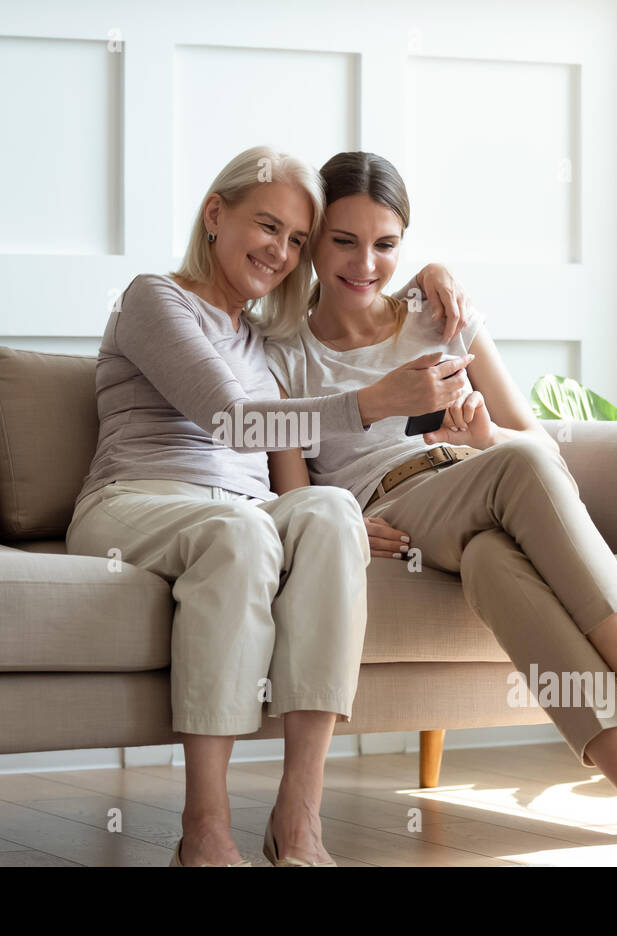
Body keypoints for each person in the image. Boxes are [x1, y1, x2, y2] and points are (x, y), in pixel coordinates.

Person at [264, 150, 617, 866]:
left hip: (480, 489)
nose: (365, 264)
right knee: (519, 471)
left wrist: (483, 435)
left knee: (494, 561)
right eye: (344, 241)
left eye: (385, 244)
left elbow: (535, 444)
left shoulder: (437, 314)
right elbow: (292, 491)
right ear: (314, 241)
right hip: (398, 506)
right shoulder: (286, 352)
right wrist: (342, 523)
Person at [66, 145, 475, 866]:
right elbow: (232, 420)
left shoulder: (263, 338)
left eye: (295, 240)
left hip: (242, 513)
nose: (282, 252)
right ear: (215, 215)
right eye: (268, 227)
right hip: (138, 500)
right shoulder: (153, 299)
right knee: (241, 534)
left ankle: (298, 819)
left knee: (326, 511)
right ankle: (207, 830)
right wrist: (375, 402)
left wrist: (431, 276)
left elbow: (369, 283)